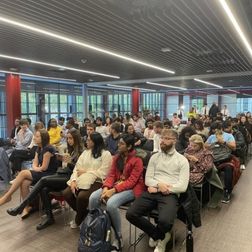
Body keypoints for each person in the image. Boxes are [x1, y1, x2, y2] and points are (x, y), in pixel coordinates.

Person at [6, 128, 83, 230]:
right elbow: (63, 166)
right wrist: (60, 160)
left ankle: (21, 206)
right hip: (63, 174)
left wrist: (68, 162)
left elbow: (79, 170)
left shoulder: (81, 151)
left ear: (76, 139)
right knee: (44, 188)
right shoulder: (70, 150)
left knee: (43, 180)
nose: (68, 140)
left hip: (71, 178)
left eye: (71, 138)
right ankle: (49, 217)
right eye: (68, 138)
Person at [126, 129, 189, 252]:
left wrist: (166, 188)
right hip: (153, 191)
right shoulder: (154, 157)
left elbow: (182, 186)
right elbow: (148, 179)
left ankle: (160, 237)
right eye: (162, 138)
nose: (162, 141)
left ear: (174, 141)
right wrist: (159, 185)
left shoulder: (182, 160)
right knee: (131, 214)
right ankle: (160, 236)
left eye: (166, 138)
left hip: (170, 195)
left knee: (165, 221)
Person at [89, 134, 145, 250]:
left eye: (121, 144)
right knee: (93, 197)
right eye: (119, 142)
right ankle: (97, 230)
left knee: (111, 204)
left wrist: (113, 190)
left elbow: (132, 181)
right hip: (116, 185)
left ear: (129, 147)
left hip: (132, 189)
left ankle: (118, 237)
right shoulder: (117, 157)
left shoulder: (137, 159)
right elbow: (111, 175)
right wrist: (106, 187)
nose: (118, 145)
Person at [0, 129, 58, 217]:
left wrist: (36, 168)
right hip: (41, 172)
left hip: (49, 175)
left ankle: (7, 196)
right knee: (24, 182)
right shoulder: (39, 148)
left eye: (37, 136)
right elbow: (35, 163)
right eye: (35, 136)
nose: (34, 138)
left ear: (44, 138)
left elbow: (44, 167)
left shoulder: (48, 149)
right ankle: (26, 207)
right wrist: (36, 168)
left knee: (23, 173)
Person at [63, 132, 112, 228]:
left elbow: (104, 173)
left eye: (89, 140)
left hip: (97, 181)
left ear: (95, 142)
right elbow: (76, 169)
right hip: (81, 180)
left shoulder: (106, 154)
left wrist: (86, 171)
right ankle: (85, 215)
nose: (86, 141)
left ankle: (78, 219)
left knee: (82, 196)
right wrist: (73, 181)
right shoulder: (85, 153)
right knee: (66, 193)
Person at [205, 122, 236, 203]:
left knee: (228, 169)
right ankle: (210, 191)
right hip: (214, 158)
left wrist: (223, 142)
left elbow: (234, 147)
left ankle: (227, 191)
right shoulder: (212, 137)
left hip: (225, 159)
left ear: (221, 129)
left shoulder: (229, 136)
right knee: (206, 168)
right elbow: (205, 146)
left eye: (217, 130)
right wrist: (214, 143)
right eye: (213, 130)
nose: (215, 132)